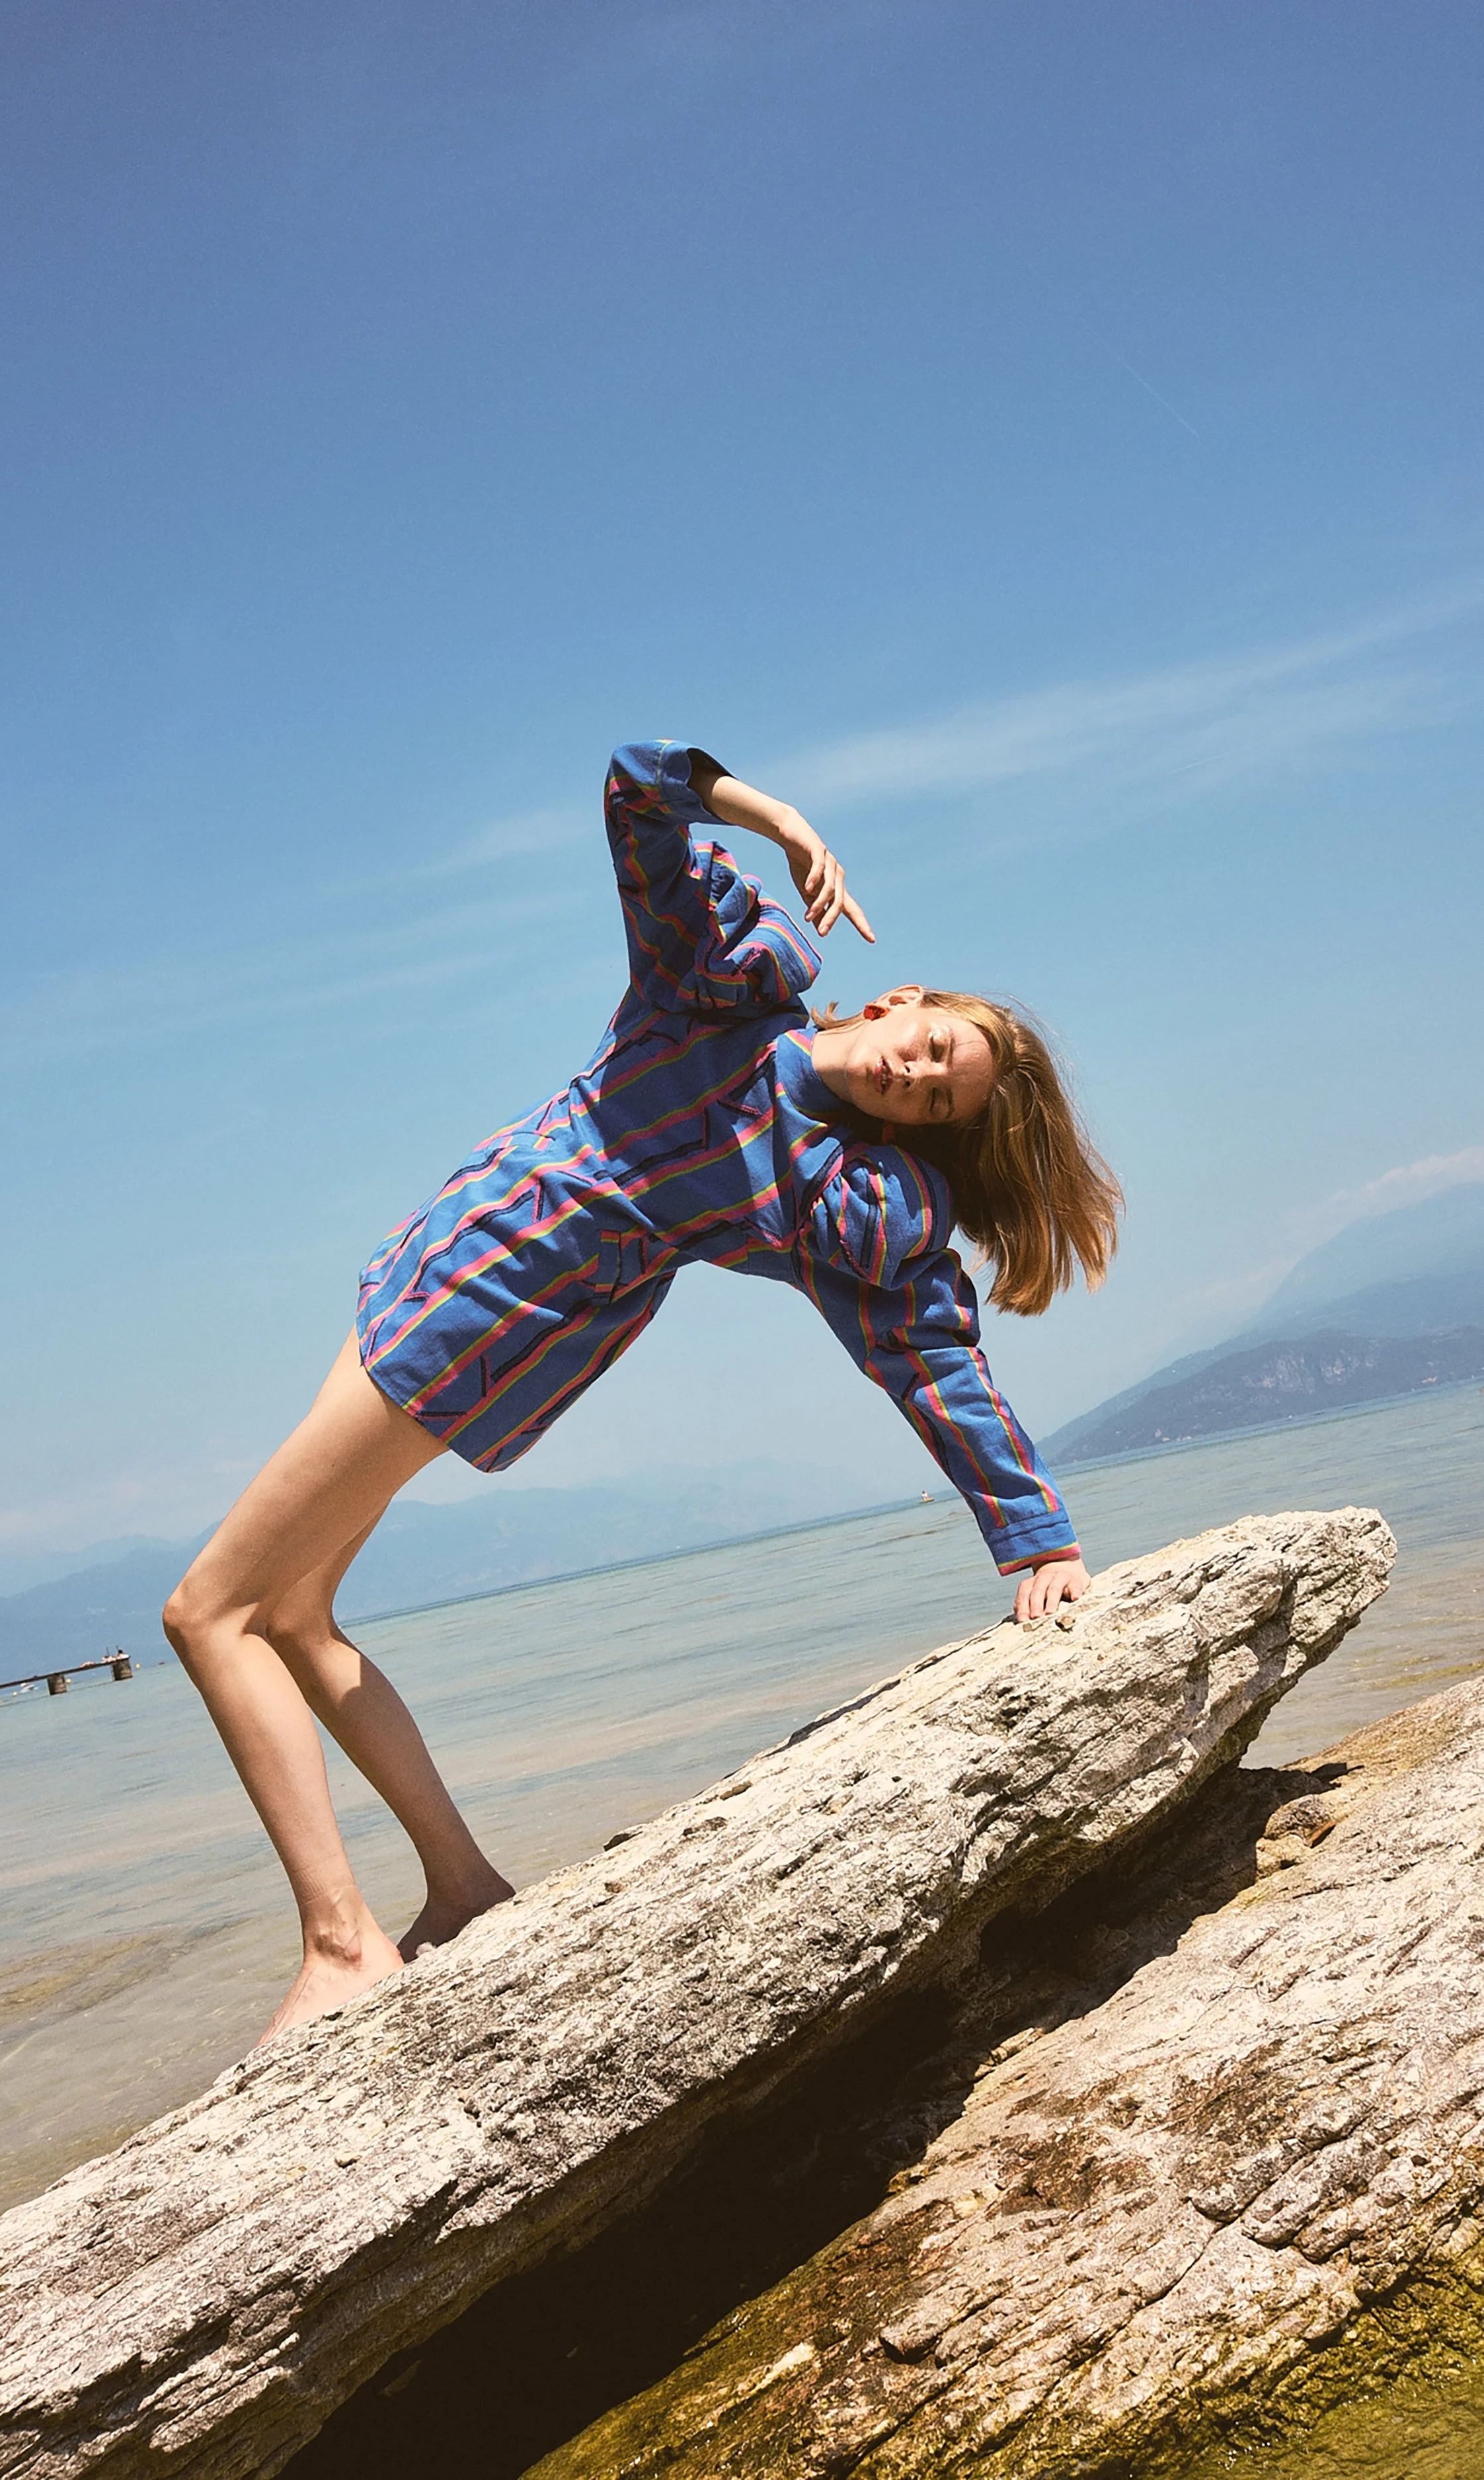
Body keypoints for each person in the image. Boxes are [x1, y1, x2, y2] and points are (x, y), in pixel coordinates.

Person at [165, 741, 1122, 2044]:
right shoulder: (715, 986)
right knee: (291, 1613)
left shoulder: (827, 1200)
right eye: (933, 1045)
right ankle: (461, 1888)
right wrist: (770, 811)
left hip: (484, 1310)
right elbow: (631, 789)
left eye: (938, 1098)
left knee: (203, 1611)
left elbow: (931, 1355)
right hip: (431, 1255)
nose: (915, 1072)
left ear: (920, 1134)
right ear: (901, 1001)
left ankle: (341, 1946)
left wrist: (1037, 1538)